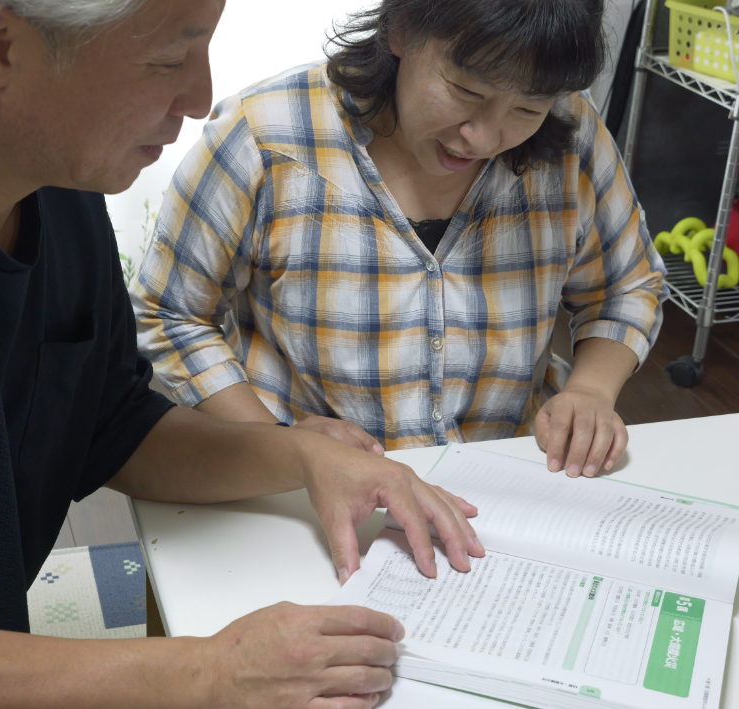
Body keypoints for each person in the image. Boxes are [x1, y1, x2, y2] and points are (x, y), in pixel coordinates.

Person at [0, 1, 485, 707]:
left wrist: (301, 456)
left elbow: (113, 423)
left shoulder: (50, 174)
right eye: (166, 61)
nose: (199, 97)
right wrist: (211, 671)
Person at [132, 0, 668, 478]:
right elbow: (169, 311)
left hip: (506, 476)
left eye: (527, 109)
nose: (483, 137)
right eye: (467, 91)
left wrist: (591, 389)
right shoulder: (267, 135)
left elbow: (627, 283)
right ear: (404, 29)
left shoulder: (571, 134)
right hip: (304, 491)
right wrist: (280, 449)